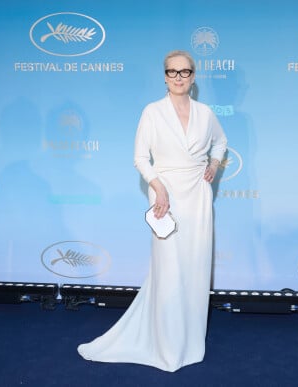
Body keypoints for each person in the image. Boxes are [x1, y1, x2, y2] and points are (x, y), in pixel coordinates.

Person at [77, 50, 227, 372]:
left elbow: (221, 142)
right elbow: (140, 158)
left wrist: (213, 164)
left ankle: (189, 343)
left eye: (184, 72)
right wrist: (158, 186)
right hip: (165, 197)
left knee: (196, 268)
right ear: (164, 76)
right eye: (172, 72)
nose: (178, 77)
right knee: (169, 270)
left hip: (198, 197)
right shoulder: (152, 112)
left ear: (193, 75)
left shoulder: (205, 113)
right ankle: (166, 345)